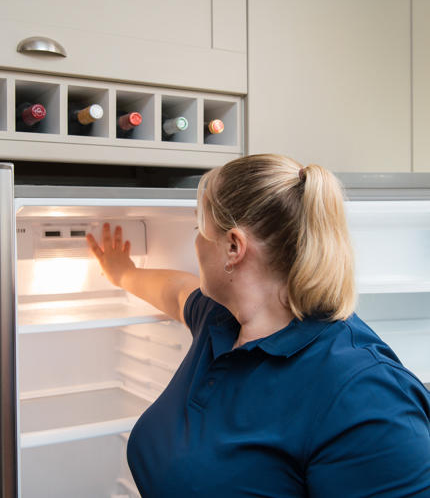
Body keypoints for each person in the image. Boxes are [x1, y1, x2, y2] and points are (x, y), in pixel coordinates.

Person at [87, 154, 430, 497]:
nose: (195, 244)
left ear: (233, 246)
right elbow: (176, 292)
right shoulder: (220, 317)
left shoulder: (366, 397)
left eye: (199, 229)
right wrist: (122, 272)